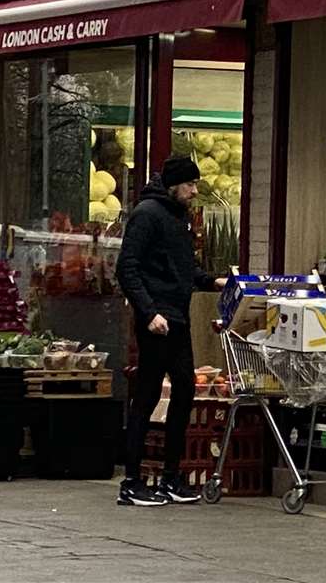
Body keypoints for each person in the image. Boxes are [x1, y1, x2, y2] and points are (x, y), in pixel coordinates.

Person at [115, 155, 225, 507]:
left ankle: (171, 477)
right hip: (157, 321)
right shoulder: (147, 214)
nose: (194, 191)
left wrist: (214, 281)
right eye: (191, 184)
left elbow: (184, 268)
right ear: (175, 184)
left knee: (184, 390)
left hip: (177, 317)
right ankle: (131, 481)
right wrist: (148, 313)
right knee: (147, 395)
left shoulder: (178, 218)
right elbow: (127, 267)